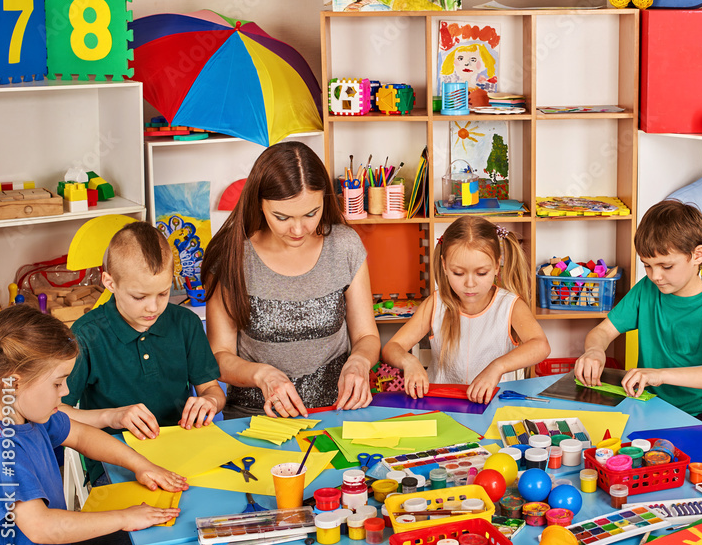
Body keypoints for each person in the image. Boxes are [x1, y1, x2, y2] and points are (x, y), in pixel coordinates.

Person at [0, 305, 186, 545]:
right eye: (57, 383)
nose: (65, 391)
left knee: (143, 539)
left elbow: (81, 436)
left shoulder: (28, 415)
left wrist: (140, 464)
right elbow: (41, 526)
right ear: (12, 383)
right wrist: (124, 516)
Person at [203, 141, 378, 416]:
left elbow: (366, 335)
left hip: (337, 411)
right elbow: (219, 357)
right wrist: (262, 376)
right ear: (259, 204)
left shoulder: (345, 246)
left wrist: (360, 361)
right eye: (282, 217)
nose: (299, 229)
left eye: (311, 213)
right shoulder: (231, 255)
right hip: (254, 418)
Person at [60, 221, 225, 484]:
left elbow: (211, 389)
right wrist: (112, 416)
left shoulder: (186, 323)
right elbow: (54, 413)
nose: (153, 308)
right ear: (109, 282)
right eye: (139, 297)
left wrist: (211, 402)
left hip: (182, 446)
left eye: (163, 293)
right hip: (114, 457)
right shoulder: (87, 334)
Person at [575, 200, 702, 423]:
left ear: (697, 255)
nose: (655, 276)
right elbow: (603, 331)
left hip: (701, 416)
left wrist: (660, 375)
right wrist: (595, 351)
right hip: (648, 406)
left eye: (666, 266)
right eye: (647, 265)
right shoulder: (646, 290)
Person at [382, 216, 550, 403]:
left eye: (481, 273)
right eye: (458, 273)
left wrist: (497, 367)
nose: (470, 284)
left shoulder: (510, 305)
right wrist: (409, 361)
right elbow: (392, 348)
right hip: (443, 404)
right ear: (444, 265)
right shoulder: (436, 304)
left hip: (494, 403)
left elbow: (540, 346)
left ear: (496, 265)